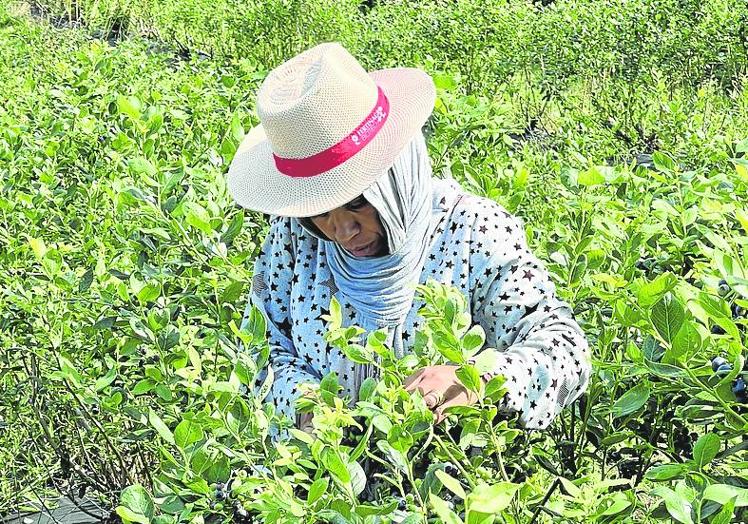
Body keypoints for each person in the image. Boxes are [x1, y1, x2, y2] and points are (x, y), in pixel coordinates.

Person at [227, 42, 590, 434]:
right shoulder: (296, 239)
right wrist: (304, 404)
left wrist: (475, 381)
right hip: (320, 484)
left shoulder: (471, 230)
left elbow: (565, 348)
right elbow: (263, 348)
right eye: (321, 211)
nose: (343, 231)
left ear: (393, 178)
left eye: (356, 204)